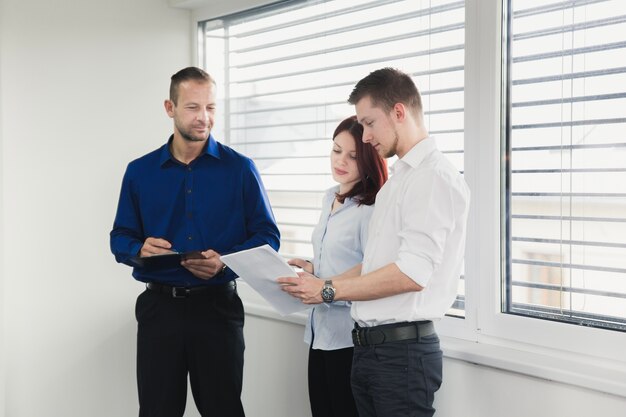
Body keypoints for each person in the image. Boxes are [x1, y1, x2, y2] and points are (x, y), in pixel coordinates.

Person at [278, 67, 470, 417]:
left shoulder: (430, 178)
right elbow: (376, 266)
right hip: (372, 350)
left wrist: (329, 292)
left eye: (369, 123)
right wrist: (322, 283)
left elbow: (413, 273)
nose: (364, 137)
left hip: (402, 354)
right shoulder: (399, 181)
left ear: (399, 112)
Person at [110, 66, 280, 417]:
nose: (204, 117)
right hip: (160, 312)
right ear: (169, 108)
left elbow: (267, 236)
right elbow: (120, 237)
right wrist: (137, 249)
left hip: (218, 310)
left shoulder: (241, 169)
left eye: (211, 107)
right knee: (157, 410)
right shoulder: (139, 172)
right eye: (192, 107)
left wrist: (226, 260)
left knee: (223, 410)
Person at [288, 116, 387, 417]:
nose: (341, 161)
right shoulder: (329, 197)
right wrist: (312, 268)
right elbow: (341, 258)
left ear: (369, 158)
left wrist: (325, 286)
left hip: (349, 339)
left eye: (353, 156)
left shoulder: (371, 208)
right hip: (319, 334)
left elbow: (371, 270)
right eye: (336, 150)